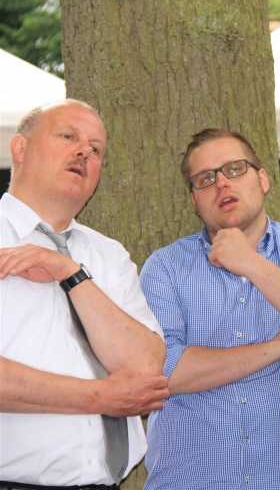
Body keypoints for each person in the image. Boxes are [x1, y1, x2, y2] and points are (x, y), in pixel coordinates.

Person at [0, 100, 168, 488]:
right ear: (20, 148)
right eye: (68, 137)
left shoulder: (107, 254)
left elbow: (146, 370)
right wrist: (99, 397)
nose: (83, 152)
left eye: (96, 149)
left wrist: (70, 273)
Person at [139, 128, 280, 490]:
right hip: (188, 482)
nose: (221, 184)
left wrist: (251, 263)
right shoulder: (165, 268)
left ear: (263, 179)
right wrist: (279, 346)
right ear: (194, 200)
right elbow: (163, 373)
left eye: (234, 169)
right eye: (205, 178)